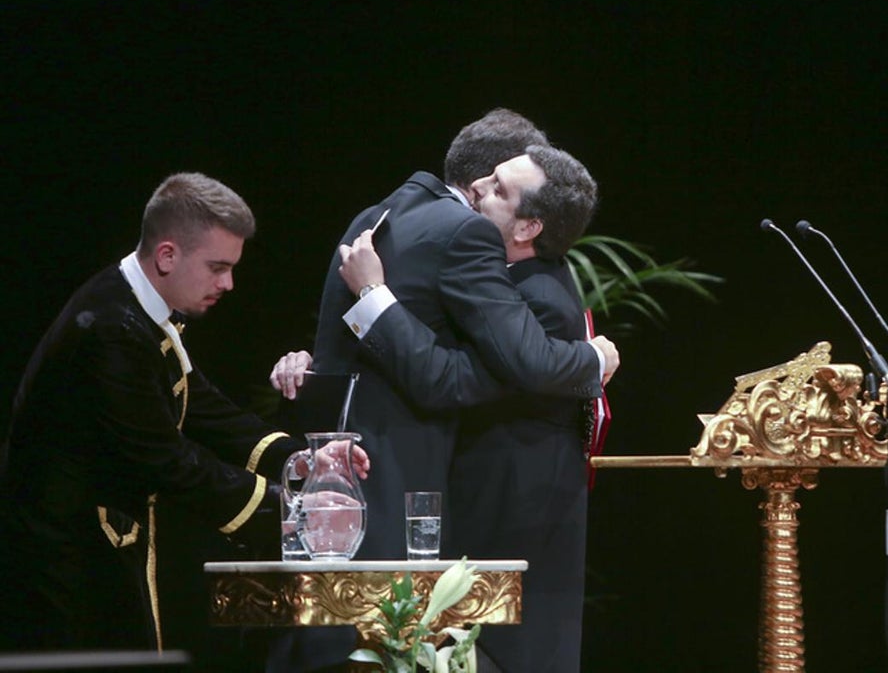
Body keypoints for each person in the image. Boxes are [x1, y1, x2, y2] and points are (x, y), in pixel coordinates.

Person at [269, 109, 617, 672]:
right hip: (395, 490)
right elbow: (443, 374)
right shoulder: (458, 234)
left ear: (530, 226)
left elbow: (513, 364)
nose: (482, 189)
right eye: (492, 177)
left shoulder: (389, 220)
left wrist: (591, 357)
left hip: (500, 512)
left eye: (500, 188)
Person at [0, 173, 367, 659]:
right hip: (65, 560)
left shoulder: (140, 308)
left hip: (99, 542)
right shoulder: (111, 330)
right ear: (168, 255)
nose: (228, 283)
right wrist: (288, 511)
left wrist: (300, 462)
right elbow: (168, 460)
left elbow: (201, 406)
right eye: (217, 267)